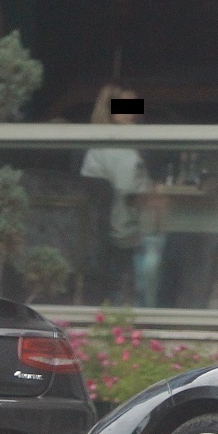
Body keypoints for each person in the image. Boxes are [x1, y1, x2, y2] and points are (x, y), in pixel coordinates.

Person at [80, 85, 150, 305]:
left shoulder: (105, 144)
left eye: (135, 105)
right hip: (120, 236)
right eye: (125, 106)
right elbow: (131, 193)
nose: (132, 112)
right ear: (109, 109)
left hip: (104, 235)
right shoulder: (117, 148)